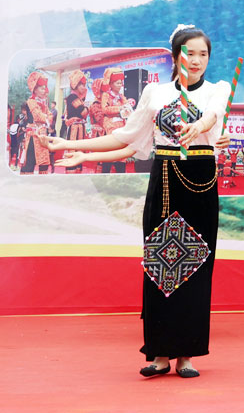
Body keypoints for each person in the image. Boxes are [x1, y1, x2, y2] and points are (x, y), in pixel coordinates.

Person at [45, 25, 230, 379]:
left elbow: (212, 114)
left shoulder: (217, 90)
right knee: (161, 266)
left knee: (195, 267)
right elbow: (127, 139)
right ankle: (159, 354)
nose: (196, 60)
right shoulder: (155, 93)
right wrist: (75, 148)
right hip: (165, 184)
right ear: (175, 55)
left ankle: (186, 356)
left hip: (201, 185)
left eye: (203, 54)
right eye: (189, 53)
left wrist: (199, 127)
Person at [19, 71, 53, 175]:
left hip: (42, 135)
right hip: (33, 136)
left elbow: (50, 116)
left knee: (44, 164)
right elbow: (38, 116)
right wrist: (46, 117)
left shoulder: (44, 103)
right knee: (30, 161)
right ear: (35, 89)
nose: (44, 91)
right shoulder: (31, 101)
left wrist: (46, 118)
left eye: (44, 88)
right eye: (42, 88)